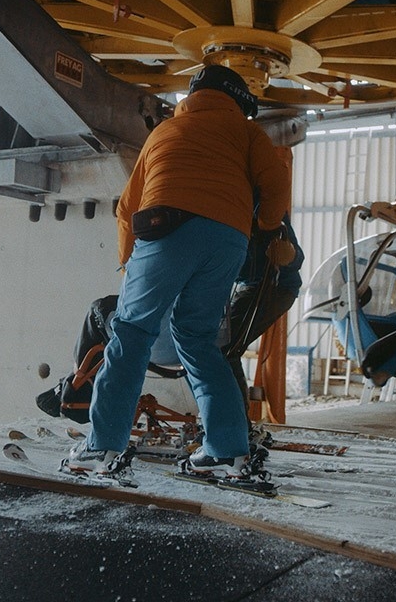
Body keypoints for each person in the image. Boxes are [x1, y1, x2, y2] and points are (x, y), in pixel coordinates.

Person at [65, 64, 291, 481]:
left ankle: (101, 447)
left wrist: (129, 260)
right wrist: (266, 225)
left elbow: (126, 208)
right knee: (198, 341)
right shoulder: (247, 133)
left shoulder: (164, 133)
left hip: (167, 227)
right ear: (238, 102)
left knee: (131, 332)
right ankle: (226, 452)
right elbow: (275, 181)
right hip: (228, 240)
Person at [224, 210, 304, 424]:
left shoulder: (262, 205)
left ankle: (237, 427)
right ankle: (233, 425)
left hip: (271, 286)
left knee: (225, 349)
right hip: (244, 285)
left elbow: (296, 256)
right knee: (218, 348)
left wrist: (290, 255)